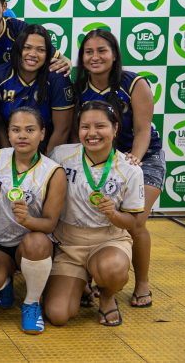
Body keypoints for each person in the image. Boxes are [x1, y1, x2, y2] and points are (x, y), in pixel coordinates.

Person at [73, 29, 164, 309]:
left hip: (141, 157)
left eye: (102, 50)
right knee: (89, 217)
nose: (95, 57)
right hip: (99, 158)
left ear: (114, 55)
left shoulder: (134, 83)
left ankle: (142, 283)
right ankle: (88, 280)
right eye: (89, 52)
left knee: (135, 222)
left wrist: (133, 160)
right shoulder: (78, 85)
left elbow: (142, 130)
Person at [45, 101, 145, 327]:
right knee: (58, 314)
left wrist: (113, 214)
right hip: (68, 245)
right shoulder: (60, 155)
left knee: (111, 269)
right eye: (85, 127)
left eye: (100, 126)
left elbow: (134, 223)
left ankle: (107, 297)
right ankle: (82, 283)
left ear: (115, 128)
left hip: (108, 240)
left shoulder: (130, 169)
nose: (92, 133)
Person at [0, 107, 66, 335]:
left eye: (30, 130)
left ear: (42, 133)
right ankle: (5, 283)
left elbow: (49, 224)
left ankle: (31, 302)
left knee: (37, 242)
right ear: (8, 133)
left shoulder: (53, 172)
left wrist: (27, 220)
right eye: (16, 130)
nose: (22, 136)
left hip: (31, 245)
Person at [0, 25, 74, 154]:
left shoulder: (57, 78)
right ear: (18, 49)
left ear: (48, 54)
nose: (33, 54)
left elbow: (62, 128)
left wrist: (45, 162)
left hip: (46, 151)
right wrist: (9, 156)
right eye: (27, 47)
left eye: (41, 50)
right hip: (9, 149)